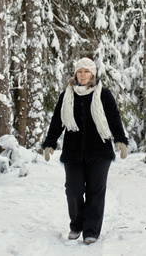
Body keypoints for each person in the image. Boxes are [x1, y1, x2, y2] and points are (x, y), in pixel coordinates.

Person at [42, 57, 128, 245]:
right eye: (80, 71)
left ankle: (91, 231)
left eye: (86, 72)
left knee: (96, 191)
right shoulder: (66, 95)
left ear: (93, 74)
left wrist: (120, 140)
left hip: (99, 150)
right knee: (73, 189)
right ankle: (76, 225)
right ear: (75, 73)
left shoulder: (103, 94)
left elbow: (113, 117)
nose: (82, 75)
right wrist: (49, 143)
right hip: (73, 151)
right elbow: (57, 120)